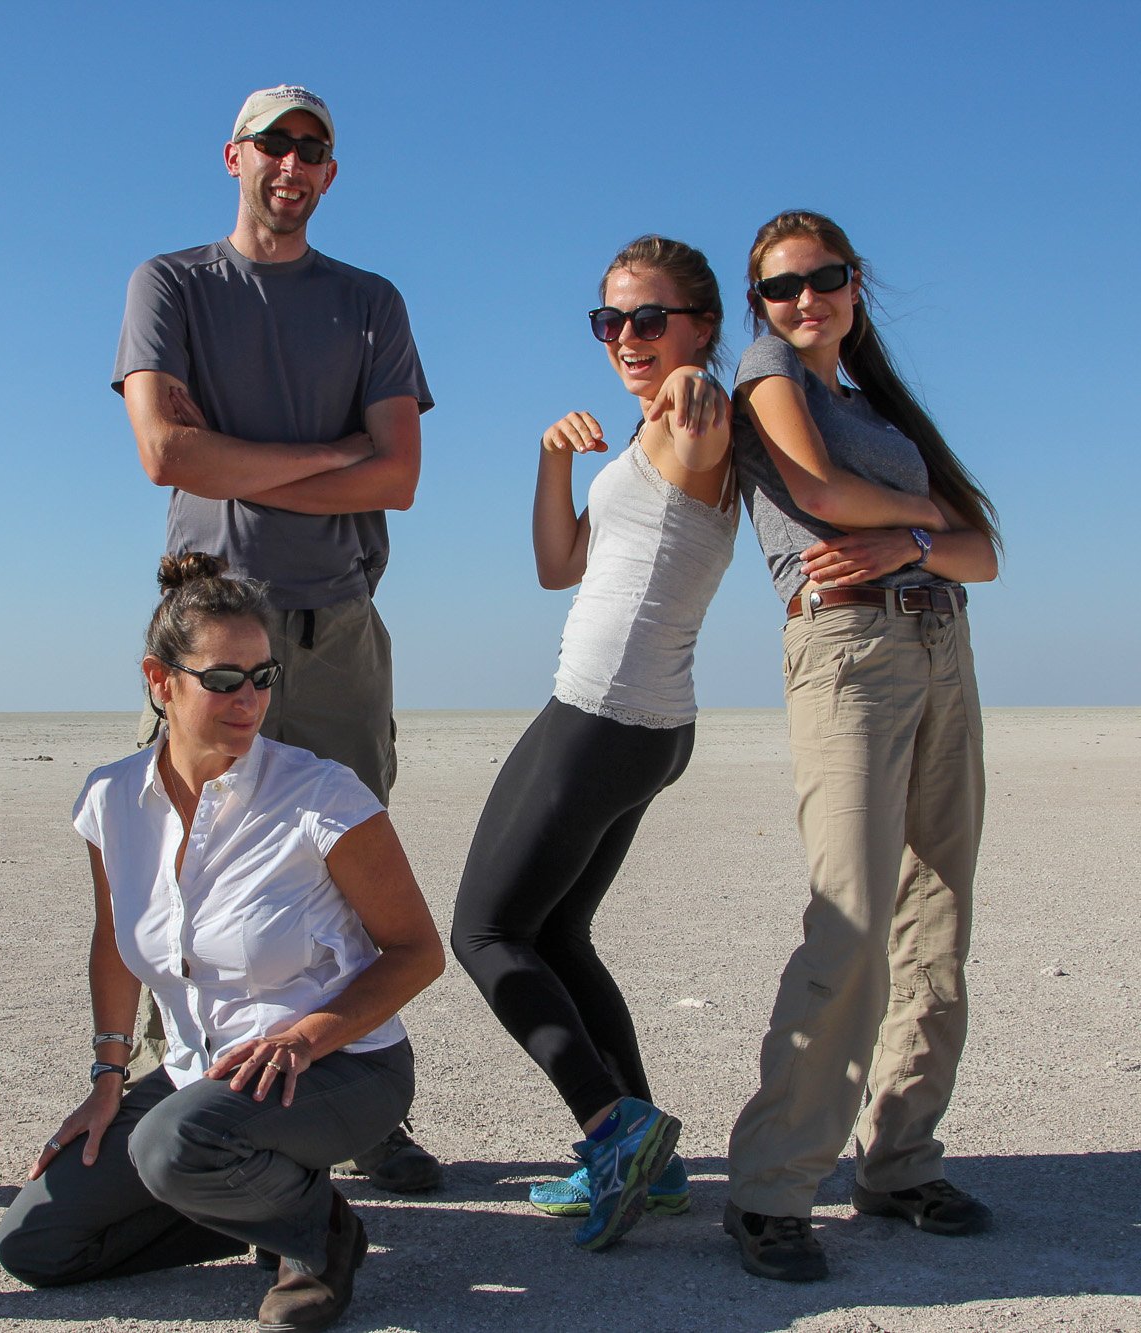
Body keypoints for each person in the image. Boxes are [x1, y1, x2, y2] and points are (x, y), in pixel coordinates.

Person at [112, 83, 442, 1192]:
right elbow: (165, 455)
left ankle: (365, 1106)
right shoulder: (171, 284)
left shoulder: (369, 302)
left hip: (334, 621)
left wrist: (240, 458)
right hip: (212, 625)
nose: (291, 164)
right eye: (273, 145)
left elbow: (396, 477)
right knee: (185, 857)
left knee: (348, 871)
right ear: (234, 157)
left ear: (330, 173)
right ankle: (167, 1091)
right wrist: (330, 455)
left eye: (313, 149)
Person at [0, 552, 443, 1333]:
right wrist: (107, 1077)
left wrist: (305, 1037)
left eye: (263, 677)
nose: (250, 700)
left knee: (173, 1144)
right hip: (201, 1078)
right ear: (160, 680)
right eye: (225, 679)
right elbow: (114, 942)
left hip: (338, 1067)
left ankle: (319, 1236)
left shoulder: (322, 795)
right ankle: (255, 1202)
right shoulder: (111, 798)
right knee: (40, 1242)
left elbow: (417, 951)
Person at [721, 210, 1002, 1282]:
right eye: (781, 287)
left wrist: (914, 537)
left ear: (853, 285)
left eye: (824, 279)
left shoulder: (880, 408)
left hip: (938, 643)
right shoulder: (765, 372)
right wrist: (920, 523)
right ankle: (770, 1186)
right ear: (758, 305)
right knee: (850, 918)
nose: (805, 301)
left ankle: (899, 1159)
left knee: (936, 913)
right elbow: (817, 493)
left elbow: (982, 552)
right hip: (847, 651)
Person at [450, 236, 736, 1251]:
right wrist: (551, 457)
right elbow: (555, 563)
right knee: (559, 934)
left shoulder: (694, 410)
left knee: (483, 932)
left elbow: (701, 398)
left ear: (701, 324)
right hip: (643, 724)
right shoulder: (643, 435)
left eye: (648, 319)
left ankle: (612, 1129)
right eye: (608, 320)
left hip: (602, 712)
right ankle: (653, 1160)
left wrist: (692, 379)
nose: (625, 338)